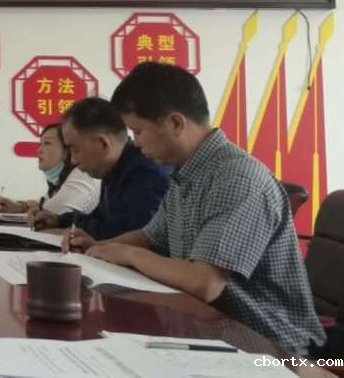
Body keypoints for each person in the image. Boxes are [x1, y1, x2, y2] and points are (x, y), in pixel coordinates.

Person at [85, 62, 325, 357]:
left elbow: (204, 282)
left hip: (268, 347)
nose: (136, 144)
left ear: (176, 123)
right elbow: (150, 238)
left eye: (138, 131)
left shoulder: (237, 179)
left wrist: (129, 254)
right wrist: (99, 248)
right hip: (209, 327)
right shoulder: (187, 172)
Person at [31, 97, 169, 242]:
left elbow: (123, 235)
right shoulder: (114, 167)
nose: (73, 161)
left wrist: (68, 231)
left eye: (75, 150)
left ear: (103, 144)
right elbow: (99, 218)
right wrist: (59, 220)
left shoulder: (144, 172)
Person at [0, 122, 100, 217]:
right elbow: (43, 203)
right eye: (40, 144)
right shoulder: (59, 182)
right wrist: (20, 207)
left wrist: (25, 208)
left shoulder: (81, 177)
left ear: (66, 152)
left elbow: (50, 212)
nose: (39, 150)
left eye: (47, 143)